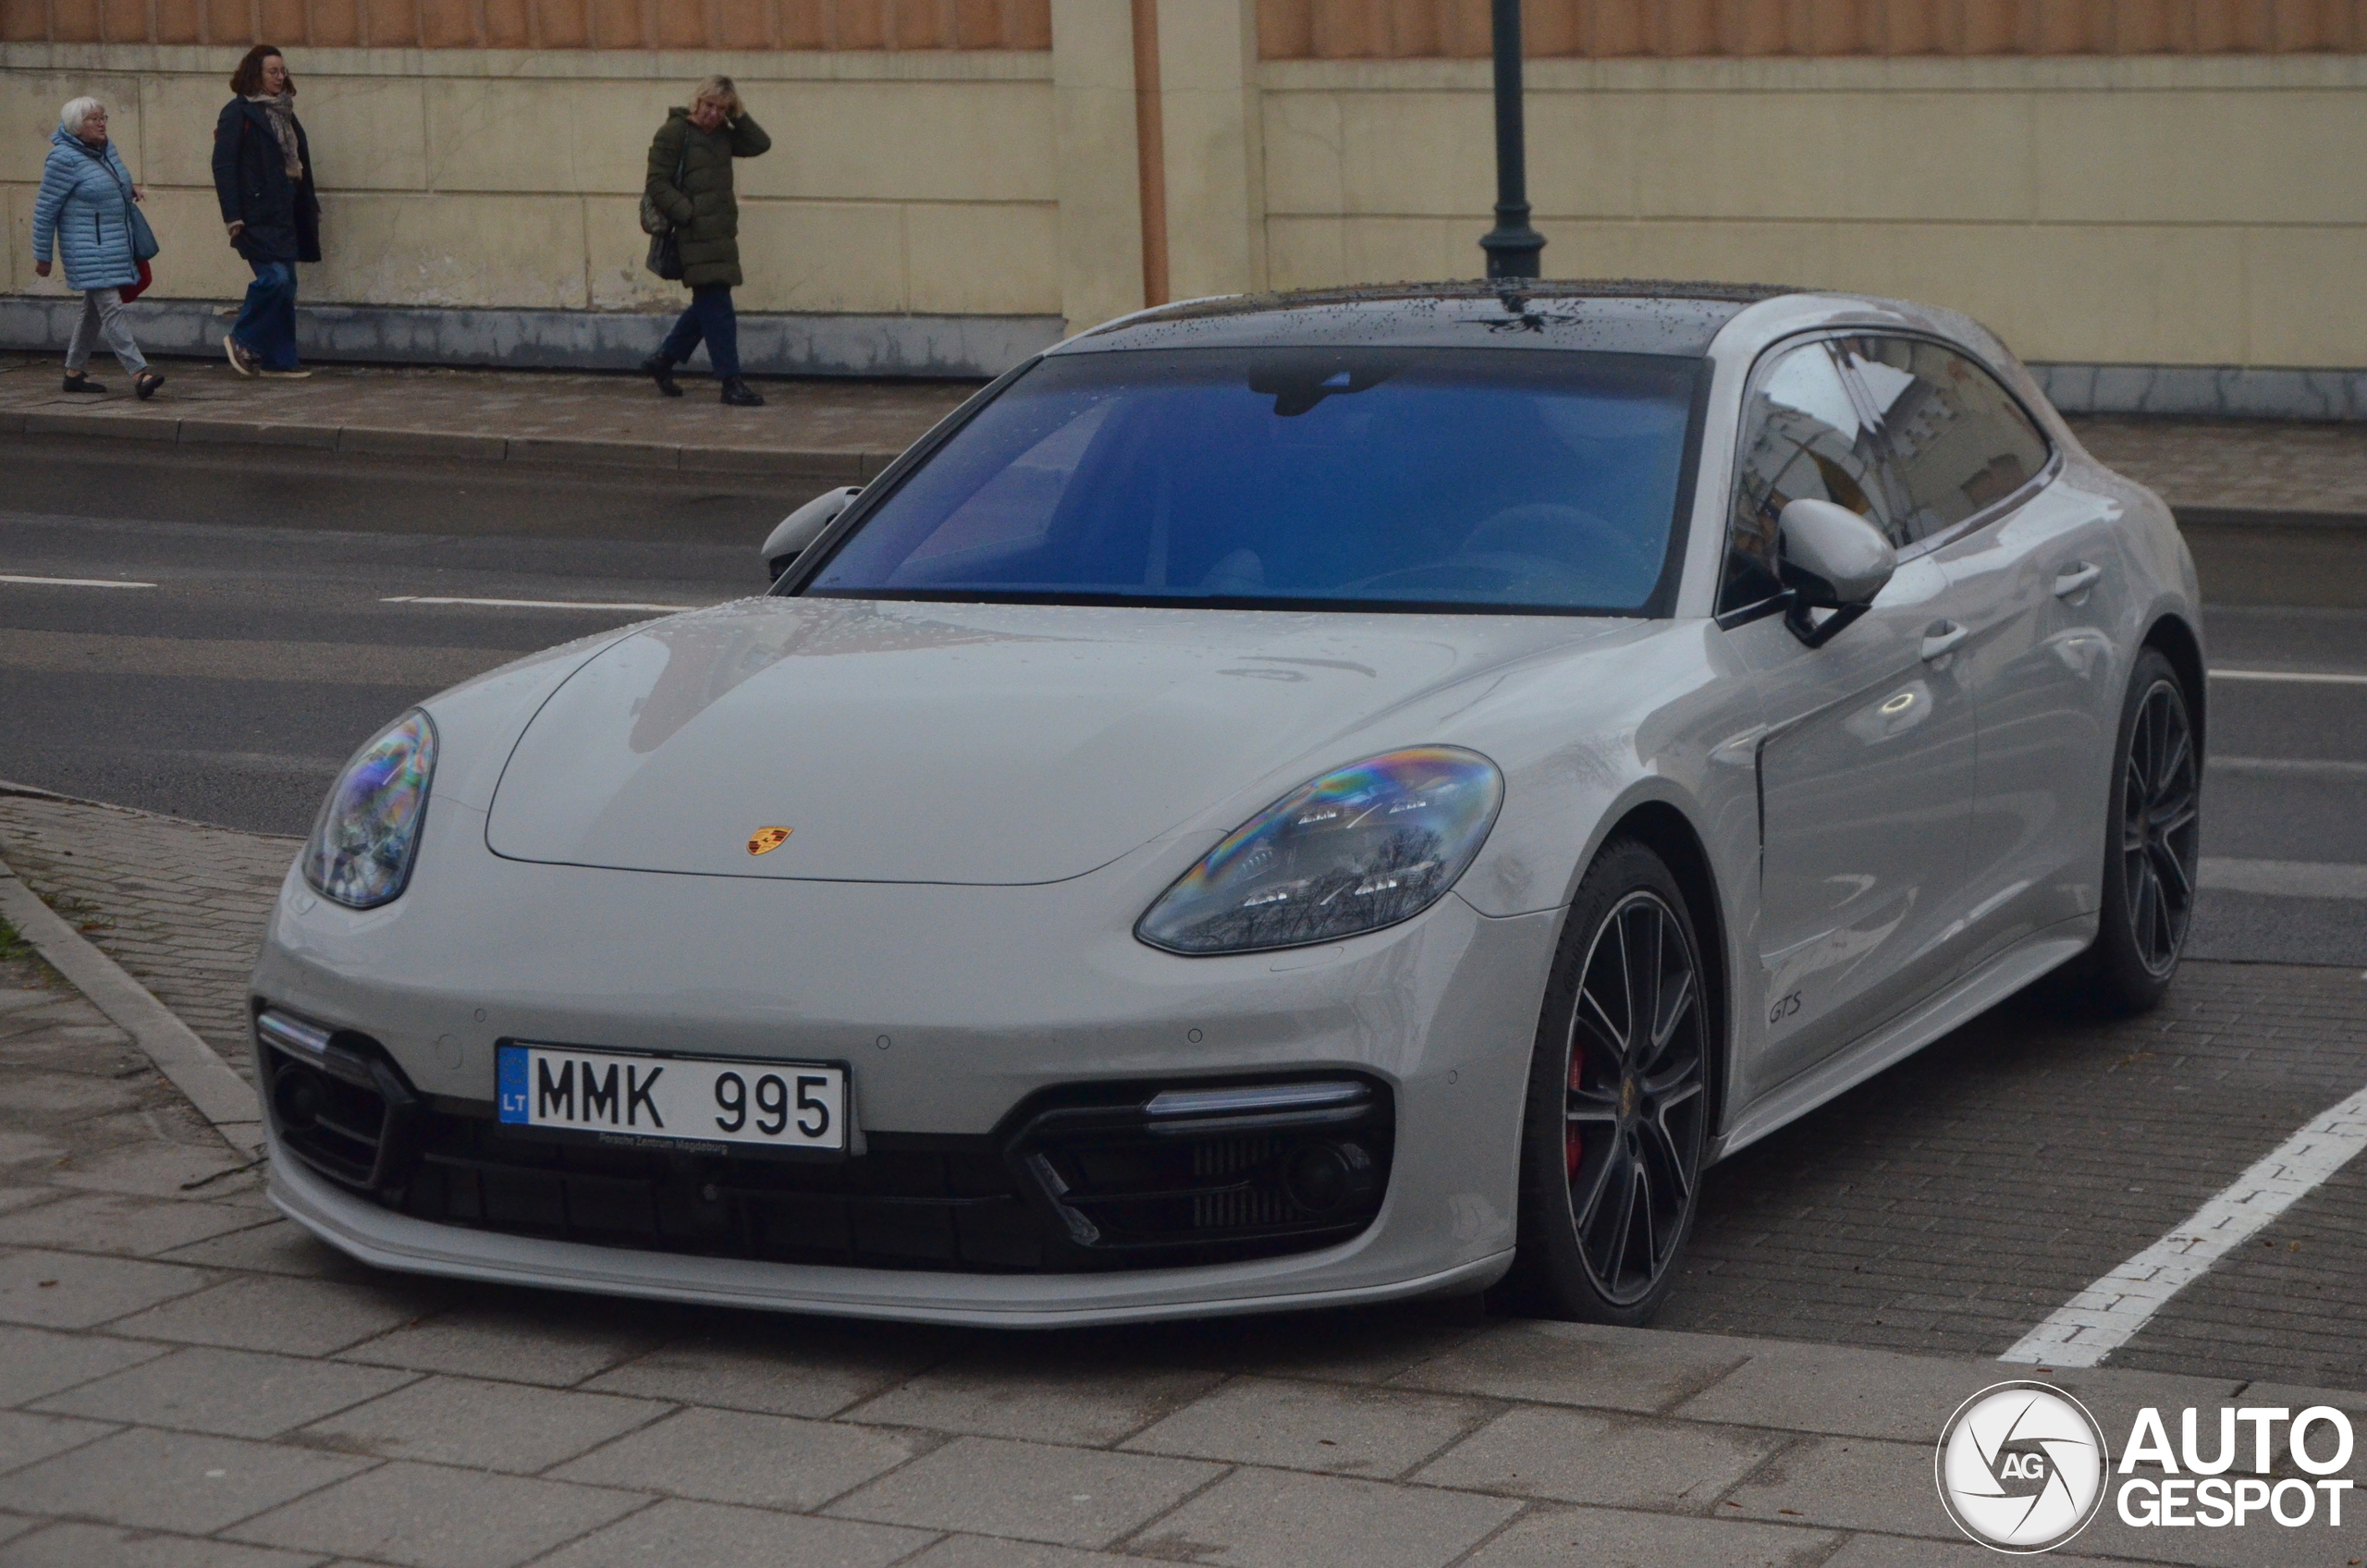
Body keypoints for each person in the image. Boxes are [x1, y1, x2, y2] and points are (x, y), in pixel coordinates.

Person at [638, 76, 771, 407]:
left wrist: (738, 115)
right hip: (691, 235)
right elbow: (657, 182)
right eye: (710, 105)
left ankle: (663, 360)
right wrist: (688, 212)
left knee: (708, 307)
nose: (714, 114)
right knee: (719, 309)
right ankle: (731, 382)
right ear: (698, 102)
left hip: (721, 235)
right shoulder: (673, 133)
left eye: (721, 109)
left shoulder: (724, 136)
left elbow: (759, 144)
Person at [31, 97, 164, 399]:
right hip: (86, 249)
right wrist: (43, 256)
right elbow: (45, 210)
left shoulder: (104, 150)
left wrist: (128, 188)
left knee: (93, 310)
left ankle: (74, 373)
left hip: (113, 244)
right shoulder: (62, 159)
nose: (101, 123)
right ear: (77, 126)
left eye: (103, 117)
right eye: (93, 119)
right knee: (111, 308)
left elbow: (108, 181)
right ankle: (139, 373)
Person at [212, 44, 319, 380]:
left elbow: (298, 163)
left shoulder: (285, 111)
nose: (280, 77)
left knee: (287, 286)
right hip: (254, 213)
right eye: (272, 71)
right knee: (274, 280)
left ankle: (279, 360)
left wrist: (308, 204)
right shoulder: (238, 112)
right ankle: (241, 337)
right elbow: (224, 165)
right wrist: (233, 215)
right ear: (255, 74)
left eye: (283, 71)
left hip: (285, 210)